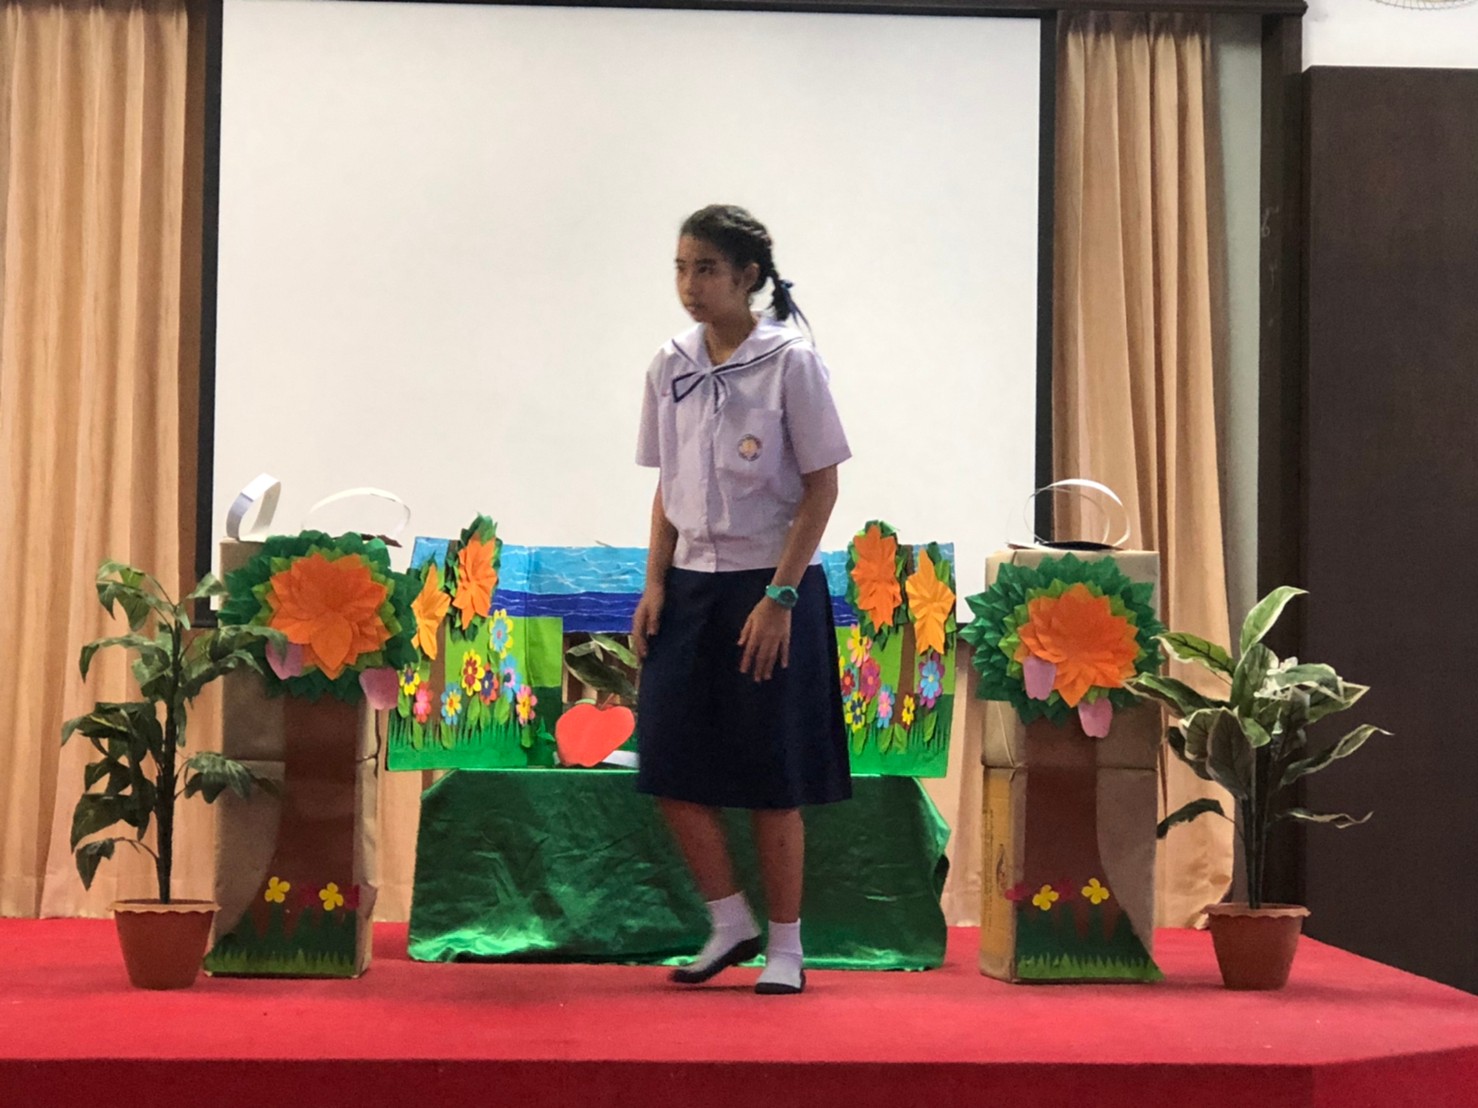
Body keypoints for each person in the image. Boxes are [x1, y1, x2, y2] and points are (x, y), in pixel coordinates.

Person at [632, 204, 851, 996]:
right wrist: (655, 582)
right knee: (668, 763)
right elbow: (668, 485)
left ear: (748, 276)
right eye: (681, 268)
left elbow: (822, 488)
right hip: (690, 586)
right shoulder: (670, 364)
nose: (690, 285)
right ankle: (730, 921)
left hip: (772, 587)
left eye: (707, 270)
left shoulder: (790, 362)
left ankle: (786, 946)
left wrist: (780, 595)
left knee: (771, 775)